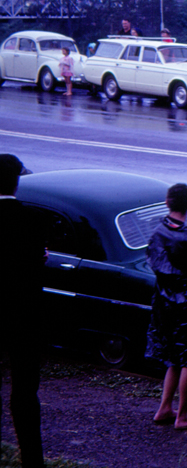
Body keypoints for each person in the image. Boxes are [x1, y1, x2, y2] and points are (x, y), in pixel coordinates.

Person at [145, 183, 187, 430]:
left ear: (167, 202)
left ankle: (164, 408)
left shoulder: (157, 234)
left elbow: (156, 265)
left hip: (163, 305)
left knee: (173, 358)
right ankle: (182, 415)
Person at [0, 154, 46, 468]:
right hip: (25, 316)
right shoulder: (33, 220)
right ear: (17, 182)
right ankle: (32, 460)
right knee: (25, 394)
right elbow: (38, 264)